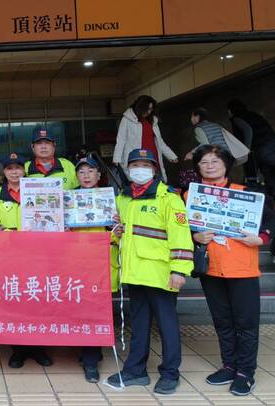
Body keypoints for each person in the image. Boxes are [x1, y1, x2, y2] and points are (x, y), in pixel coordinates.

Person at [187, 145, 275, 396]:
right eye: (204, 162)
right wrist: (194, 236)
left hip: (242, 269)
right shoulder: (191, 195)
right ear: (197, 167)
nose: (209, 166)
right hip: (211, 269)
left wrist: (261, 238)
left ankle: (245, 372)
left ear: (226, 165)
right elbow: (182, 228)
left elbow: (272, 220)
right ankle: (229, 365)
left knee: (246, 323)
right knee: (222, 321)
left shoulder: (245, 193)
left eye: (215, 161)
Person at [105, 149, 193, 395]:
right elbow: (122, 233)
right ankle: (136, 370)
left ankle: (170, 373)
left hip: (161, 274)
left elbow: (181, 236)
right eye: (135, 165)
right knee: (139, 324)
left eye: (145, 165)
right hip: (134, 273)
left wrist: (179, 270)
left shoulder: (169, 198)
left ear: (154, 170)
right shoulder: (124, 198)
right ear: (128, 169)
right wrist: (116, 232)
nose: (139, 170)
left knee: (167, 325)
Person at [0, 152, 53, 369]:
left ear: (24, 171)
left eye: (18, 168)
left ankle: (38, 348)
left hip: (36, 256)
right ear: (4, 172)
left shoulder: (38, 190)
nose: (14, 172)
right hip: (8, 257)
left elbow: (51, 217)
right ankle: (18, 350)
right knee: (13, 303)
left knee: (36, 301)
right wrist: (11, 235)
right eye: (9, 168)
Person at [70, 157, 120, 383]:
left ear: (99, 175)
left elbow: (121, 232)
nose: (86, 175)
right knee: (80, 310)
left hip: (102, 263)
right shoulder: (68, 200)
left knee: (96, 311)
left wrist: (116, 231)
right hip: (75, 263)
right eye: (81, 172)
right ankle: (89, 351)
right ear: (76, 176)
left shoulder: (112, 199)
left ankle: (90, 360)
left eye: (91, 171)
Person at [113, 95, 178, 182]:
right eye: (147, 109)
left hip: (153, 159)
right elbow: (121, 140)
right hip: (137, 160)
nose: (149, 112)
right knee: (137, 184)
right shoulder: (127, 119)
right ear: (140, 107)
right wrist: (117, 158)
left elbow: (160, 142)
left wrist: (171, 156)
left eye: (151, 109)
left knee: (157, 185)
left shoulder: (153, 121)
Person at [227, 99, 275, 184]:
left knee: (255, 172)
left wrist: (247, 149)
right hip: (272, 145)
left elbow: (248, 130)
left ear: (230, 110)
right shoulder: (254, 115)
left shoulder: (237, 118)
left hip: (259, 147)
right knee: (271, 171)